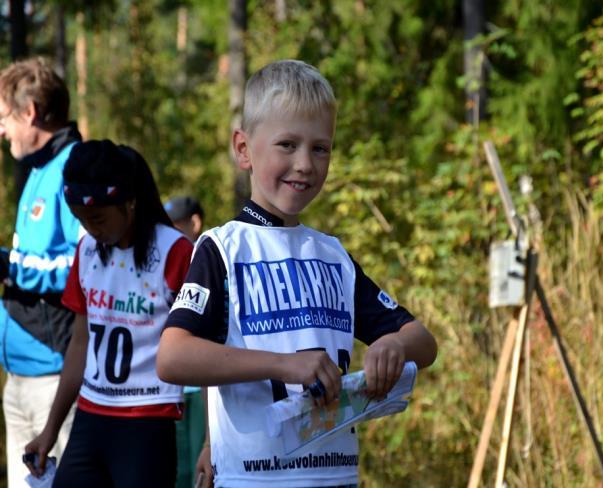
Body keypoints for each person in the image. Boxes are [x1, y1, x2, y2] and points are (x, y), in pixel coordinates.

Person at [157, 60, 438, 487]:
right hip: (254, 481)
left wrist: (393, 344)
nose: (305, 163)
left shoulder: (333, 257)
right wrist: (284, 366)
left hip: (336, 478)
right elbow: (173, 357)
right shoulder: (223, 248)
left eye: (320, 148)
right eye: (287, 144)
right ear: (244, 148)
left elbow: (425, 342)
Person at [24, 140, 193, 487]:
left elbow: (204, 343)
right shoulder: (87, 250)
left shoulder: (175, 252)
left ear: (130, 203)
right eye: (81, 220)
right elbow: (80, 344)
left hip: (148, 419)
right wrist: (50, 430)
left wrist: (210, 441)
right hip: (91, 415)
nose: (90, 229)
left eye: (98, 218)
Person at [0, 57, 82, 487]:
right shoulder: (36, 169)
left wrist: (8, 264)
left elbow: (82, 263)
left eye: (3, 118)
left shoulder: (73, 166)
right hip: (19, 377)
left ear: (30, 112)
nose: (1, 130)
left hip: (55, 379)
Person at [164, 195, 209, 488]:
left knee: (199, 470)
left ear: (194, 223)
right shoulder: (166, 259)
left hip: (202, 388)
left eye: (176, 226)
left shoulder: (209, 262)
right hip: (172, 387)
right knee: (176, 472)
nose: (169, 234)